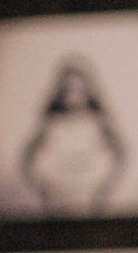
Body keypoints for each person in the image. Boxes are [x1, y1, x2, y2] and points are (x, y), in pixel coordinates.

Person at [20, 59, 128, 213]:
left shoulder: (97, 123)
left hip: (90, 204)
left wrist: (102, 188)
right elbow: (29, 159)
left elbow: (119, 155)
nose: (74, 96)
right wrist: (46, 188)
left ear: (87, 90)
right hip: (58, 205)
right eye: (69, 90)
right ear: (61, 91)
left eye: (79, 90)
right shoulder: (51, 124)